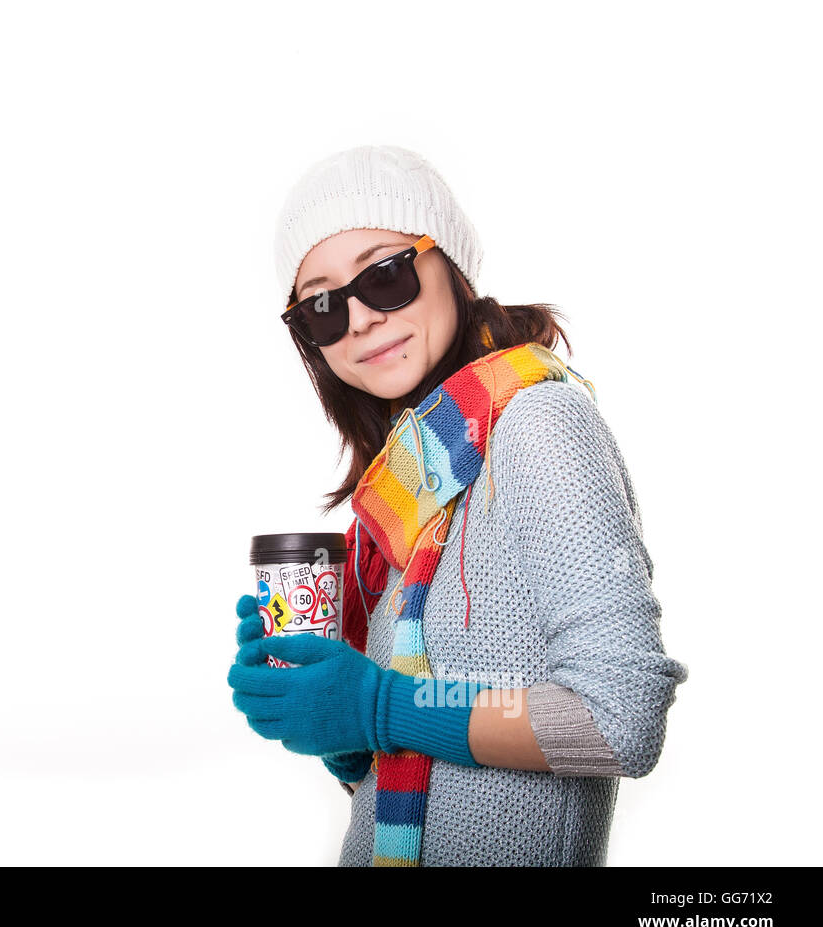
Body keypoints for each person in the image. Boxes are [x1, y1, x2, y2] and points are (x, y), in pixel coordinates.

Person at [227, 145, 689, 866]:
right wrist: (330, 713)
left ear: (450, 265)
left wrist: (380, 704)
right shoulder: (407, 494)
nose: (358, 321)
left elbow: (618, 717)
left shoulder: (537, 425)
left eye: (385, 275)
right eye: (321, 306)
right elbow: (405, 780)